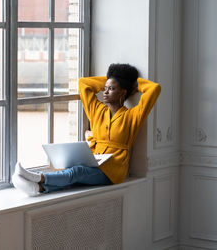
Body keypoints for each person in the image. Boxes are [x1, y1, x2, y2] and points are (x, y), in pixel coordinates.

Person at [12, 63, 161, 196]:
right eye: (105, 88)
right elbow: (83, 84)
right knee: (74, 177)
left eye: (111, 89)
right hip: (93, 162)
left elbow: (154, 89)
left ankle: (39, 177)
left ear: (123, 93)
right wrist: (111, 78)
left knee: (77, 172)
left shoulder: (132, 116)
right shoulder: (97, 110)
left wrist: (131, 84)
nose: (105, 92)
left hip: (113, 172)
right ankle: (37, 188)